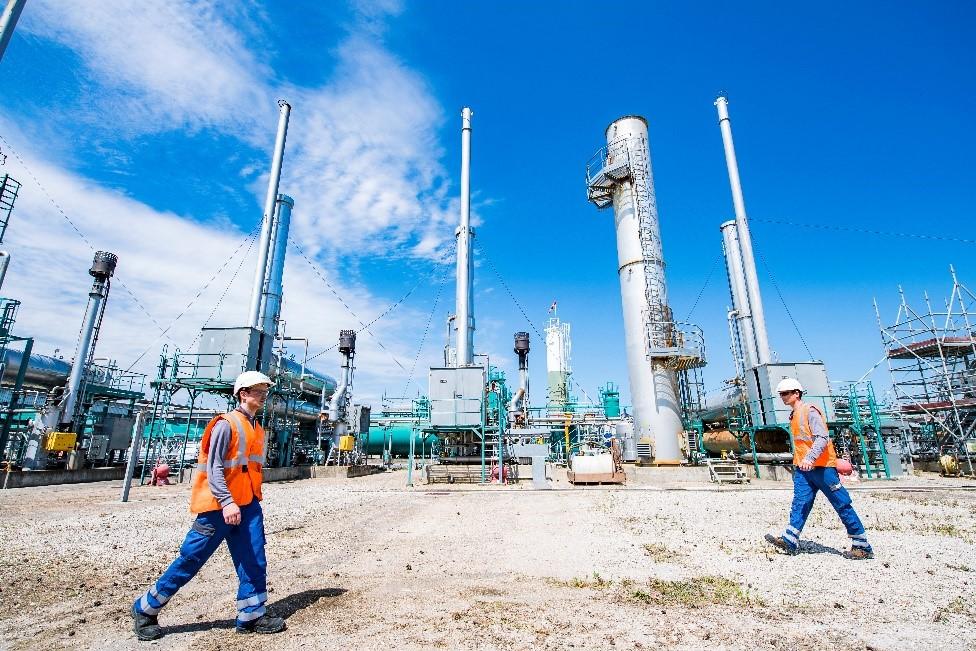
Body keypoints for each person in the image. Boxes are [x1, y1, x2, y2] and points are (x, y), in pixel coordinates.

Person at [131, 371, 286, 640]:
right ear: (243, 393)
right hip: (218, 508)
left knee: (254, 559)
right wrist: (227, 503)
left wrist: (243, 503)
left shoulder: (257, 428)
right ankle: (146, 609)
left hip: (248, 505)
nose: (263, 396)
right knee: (192, 558)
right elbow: (214, 467)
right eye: (258, 391)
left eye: (265, 391)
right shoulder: (226, 424)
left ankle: (252, 615)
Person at [764, 377, 874, 560]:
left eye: (785, 393)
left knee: (841, 503)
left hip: (822, 468)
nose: (782, 397)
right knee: (800, 503)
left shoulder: (810, 411)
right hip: (803, 469)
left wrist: (810, 458)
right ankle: (790, 539)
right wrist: (801, 462)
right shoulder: (793, 415)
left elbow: (822, 438)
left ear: (796, 393)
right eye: (781, 394)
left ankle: (862, 545)